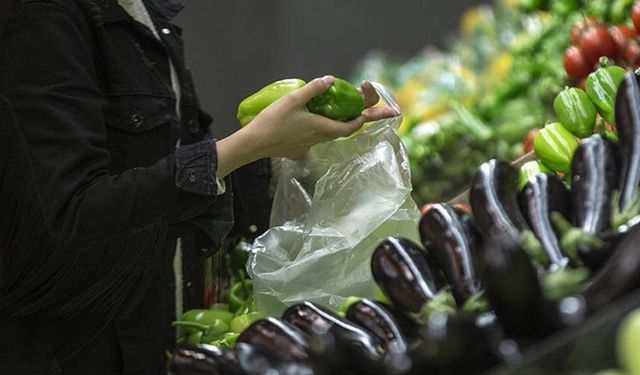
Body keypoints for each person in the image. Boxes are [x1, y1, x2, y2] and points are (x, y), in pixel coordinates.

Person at [0, 0, 398, 373]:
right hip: (77, 351)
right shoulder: (41, 20)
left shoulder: (140, 14)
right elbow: (74, 214)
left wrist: (291, 153)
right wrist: (250, 144)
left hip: (150, 330)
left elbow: (166, 180)